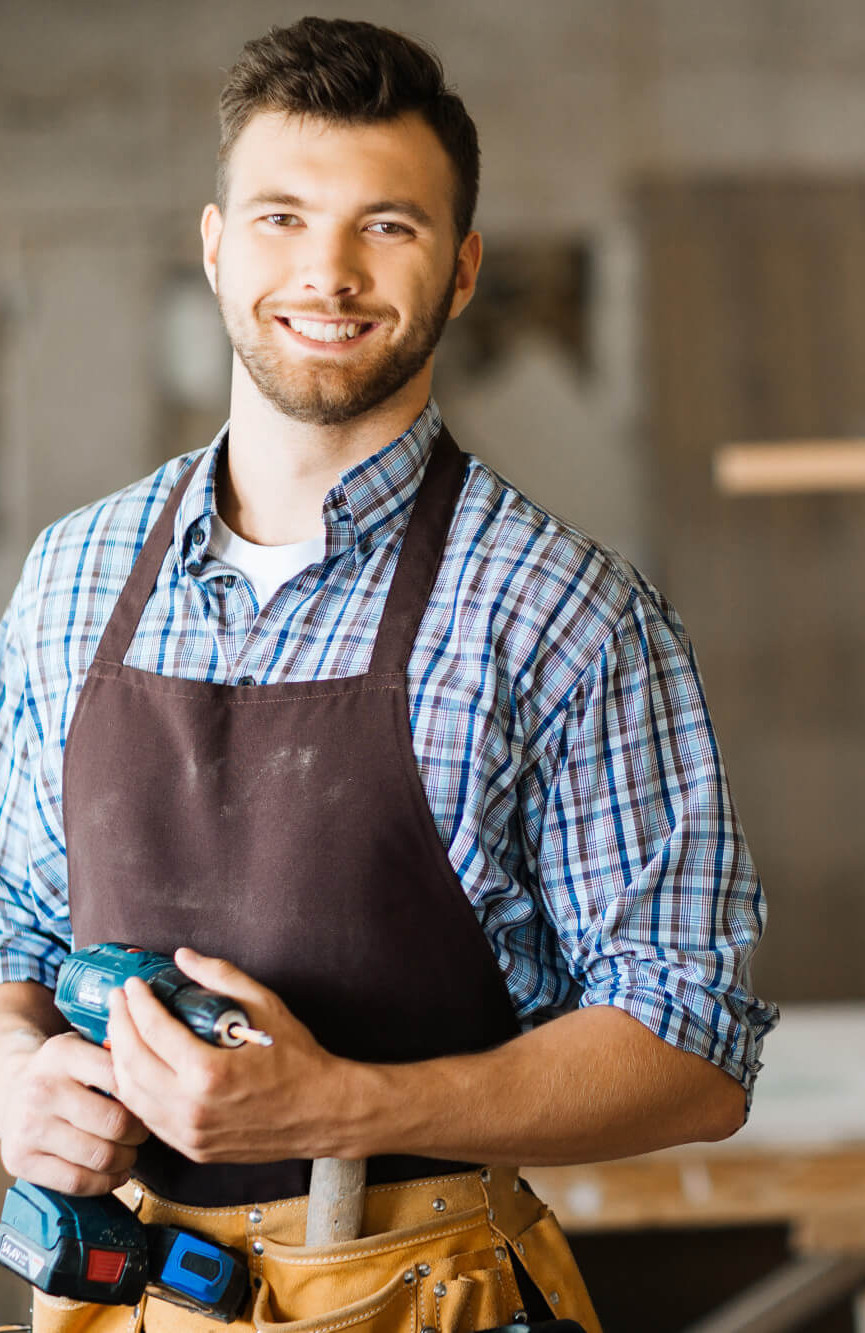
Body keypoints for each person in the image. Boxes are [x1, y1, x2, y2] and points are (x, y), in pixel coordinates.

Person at [0, 17, 776, 1333]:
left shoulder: (562, 611)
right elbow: (18, 924)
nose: (329, 271)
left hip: (423, 1295)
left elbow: (692, 1047)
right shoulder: (73, 577)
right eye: (284, 218)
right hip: (125, 1297)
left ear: (462, 267)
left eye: (389, 227)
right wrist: (16, 1074)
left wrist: (348, 1105)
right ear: (214, 244)